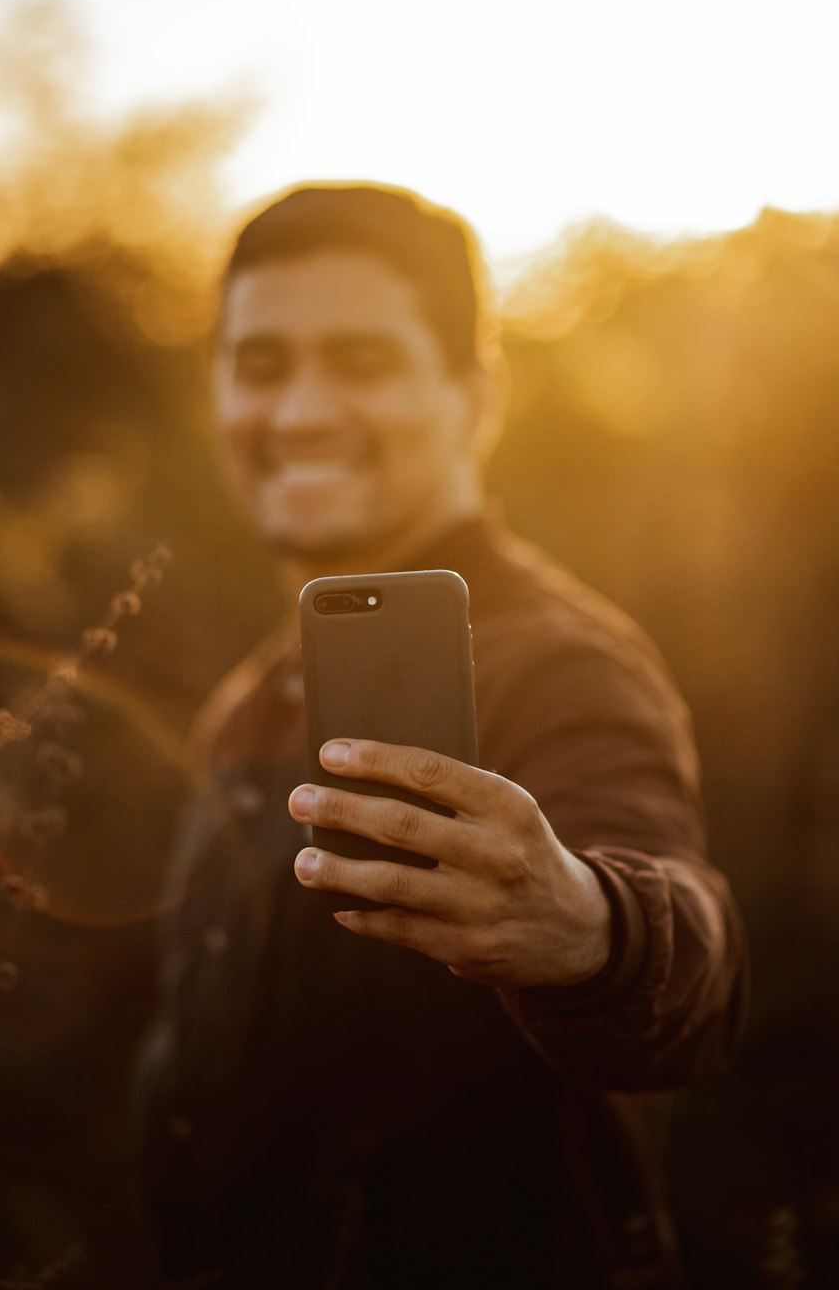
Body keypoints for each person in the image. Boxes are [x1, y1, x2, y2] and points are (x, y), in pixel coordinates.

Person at [138, 183, 747, 1289]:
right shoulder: (248, 692)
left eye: (363, 360)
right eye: (261, 363)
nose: (303, 410)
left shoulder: (561, 663)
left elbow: (681, 933)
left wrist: (595, 927)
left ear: (476, 397)